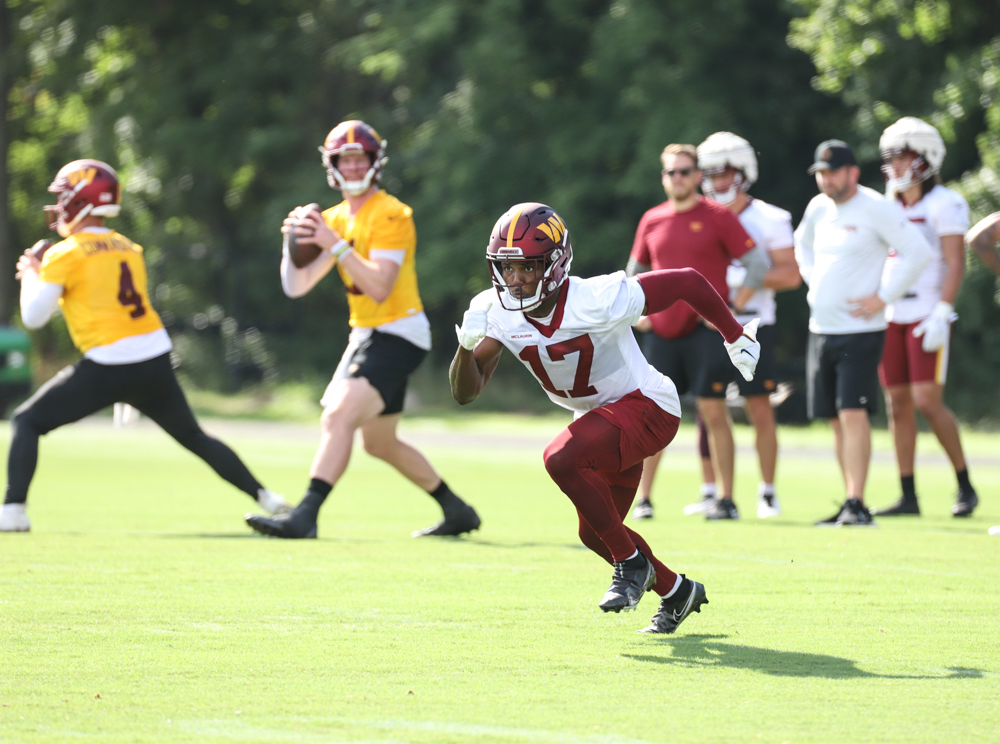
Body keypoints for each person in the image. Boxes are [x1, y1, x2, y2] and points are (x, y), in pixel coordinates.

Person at [450, 202, 760, 631]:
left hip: (648, 406)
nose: (516, 280)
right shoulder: (495, 310)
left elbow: (688, 282)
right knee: (595, 533)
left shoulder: (597, 298)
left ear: (556, 265)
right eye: (508, 268)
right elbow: (466, 393)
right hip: (602, 419)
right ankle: (676, 591)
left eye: (528, 267)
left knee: (560, 458)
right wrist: (465, 346)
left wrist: (733, 332)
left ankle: (632, 567)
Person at [0, 159, 289, 533]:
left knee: (26, 421)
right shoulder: (126, 247)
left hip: (108, 364)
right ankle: (268, 497)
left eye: (63, 197)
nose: (58, 206)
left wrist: (31, 276)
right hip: (152, 360)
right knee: (194, 437)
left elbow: (35, 316)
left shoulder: (64, 252)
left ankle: (12, 512)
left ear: (80, 201)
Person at [245, 120, 480, 539]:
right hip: (367, 335)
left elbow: (380, 284)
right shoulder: (333, 218)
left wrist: (332, 242)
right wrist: (293, 243)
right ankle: (456, 510)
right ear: (332, 164)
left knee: (337, 415)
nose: (353, 167)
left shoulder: (391, 213)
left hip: (398, 331)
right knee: (379, 443)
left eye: (360, 159)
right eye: (345, 159)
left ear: (375, 161)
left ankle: (306, 515)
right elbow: (296, 286)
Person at [626, 143, 769, 521]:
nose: (678, 178)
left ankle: (726, 499)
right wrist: (636, 315)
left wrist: (732, 307)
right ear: (664, 178)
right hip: (661, 332)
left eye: (685, 171)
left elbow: (757, 263)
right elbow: (633, 274)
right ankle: (642, 499)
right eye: (671, 172)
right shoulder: (652, 219)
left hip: (704, 332)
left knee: (713, 410)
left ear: (697, 176)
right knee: (651, 414)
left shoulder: (718, 216)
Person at [794, 140, 932, 526]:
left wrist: (883, 297)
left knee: (853, 414)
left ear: (852, 172)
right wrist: (813, 282)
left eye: (832, 171)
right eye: (821, 172)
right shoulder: (818, 208)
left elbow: (918, 252)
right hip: (820, 328)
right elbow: (801, 245)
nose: (826, 179)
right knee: (835, 419)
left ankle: (857, 502)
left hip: (860, 330)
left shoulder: (875, 207)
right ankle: (849, 500)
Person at [871, 117, 978, 518]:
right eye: (891, 157)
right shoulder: (886, 205)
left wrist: (943, 310)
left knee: (927, 401)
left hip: (926, 312)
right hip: (892, 311)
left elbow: (954, 262)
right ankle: (908, 494)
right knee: (896, 403)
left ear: (926, 158)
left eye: (903, 156)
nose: (895, 165)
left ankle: (965, 485)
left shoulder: (944, 202)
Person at [691, 131, 802, 519]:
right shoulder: (696, 216)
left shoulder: (769, 217)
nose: (719, 183)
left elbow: (790, 276)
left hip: (753, 323)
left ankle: (768, 491)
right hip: (708, 326)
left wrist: (739, 278)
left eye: (726, 174)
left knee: (759, 406)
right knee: (709, 409)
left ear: (743, 173)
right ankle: (717, 493)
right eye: (712, 175)